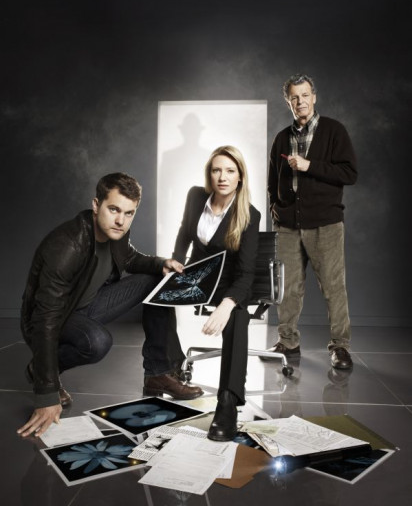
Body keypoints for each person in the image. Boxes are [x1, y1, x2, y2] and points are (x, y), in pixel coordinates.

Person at [18, 172, 203, 438]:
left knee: (158, 280)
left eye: (129, 213)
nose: (120, 220)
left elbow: (130, 258)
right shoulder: (67, 246)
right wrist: (45, 393)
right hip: (54, 317)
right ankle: (42, 369)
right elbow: (45, 319)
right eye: (114, 209)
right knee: (97, 342)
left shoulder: (116, 232)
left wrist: (161, 263)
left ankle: (157, 373)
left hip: (88, 305)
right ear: (96, 205)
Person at [267, 73, 357, 370]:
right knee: (287, 287)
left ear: (314, 97)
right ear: (288, 102)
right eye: (294, 97)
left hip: (325, 224)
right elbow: (272, 181)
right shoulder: (282, 137)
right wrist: (276, 209)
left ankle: (340, 347)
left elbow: (349, 173)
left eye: (305, 95)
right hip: (288, 226)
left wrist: (310, 166)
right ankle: (288, 341)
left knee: (333, 287)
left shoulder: (334, 131)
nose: (300, 101)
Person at [172, 145, 261, 441]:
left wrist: (227, 304)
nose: (222, 177)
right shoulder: (196, 196)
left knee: (237, 316)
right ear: (209, 174)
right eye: (216, 170)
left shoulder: (249, 215)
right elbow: (185, 232)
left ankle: (228, 402)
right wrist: (176, 261)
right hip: (197, 277)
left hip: (229, 284)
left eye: (230, 171)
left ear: (240, 176)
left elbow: (245, 274)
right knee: (151, 291)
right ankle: (163, 370)